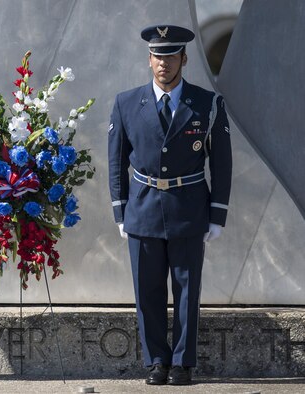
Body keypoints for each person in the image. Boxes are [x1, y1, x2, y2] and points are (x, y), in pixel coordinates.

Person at [108, 25, 232, 385]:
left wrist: (217, 215)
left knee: (187, 290)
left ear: (184, 59)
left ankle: (182, 363)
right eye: (158, 56)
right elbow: (117, 162)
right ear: (149, 60)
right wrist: (120, 210)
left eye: (171, 55)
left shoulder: (207, 104)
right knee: (146, 291)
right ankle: (156, 361)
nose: (164, 63)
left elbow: (221, 164)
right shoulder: (126, 103)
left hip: (189, 209)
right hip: (143, 210)